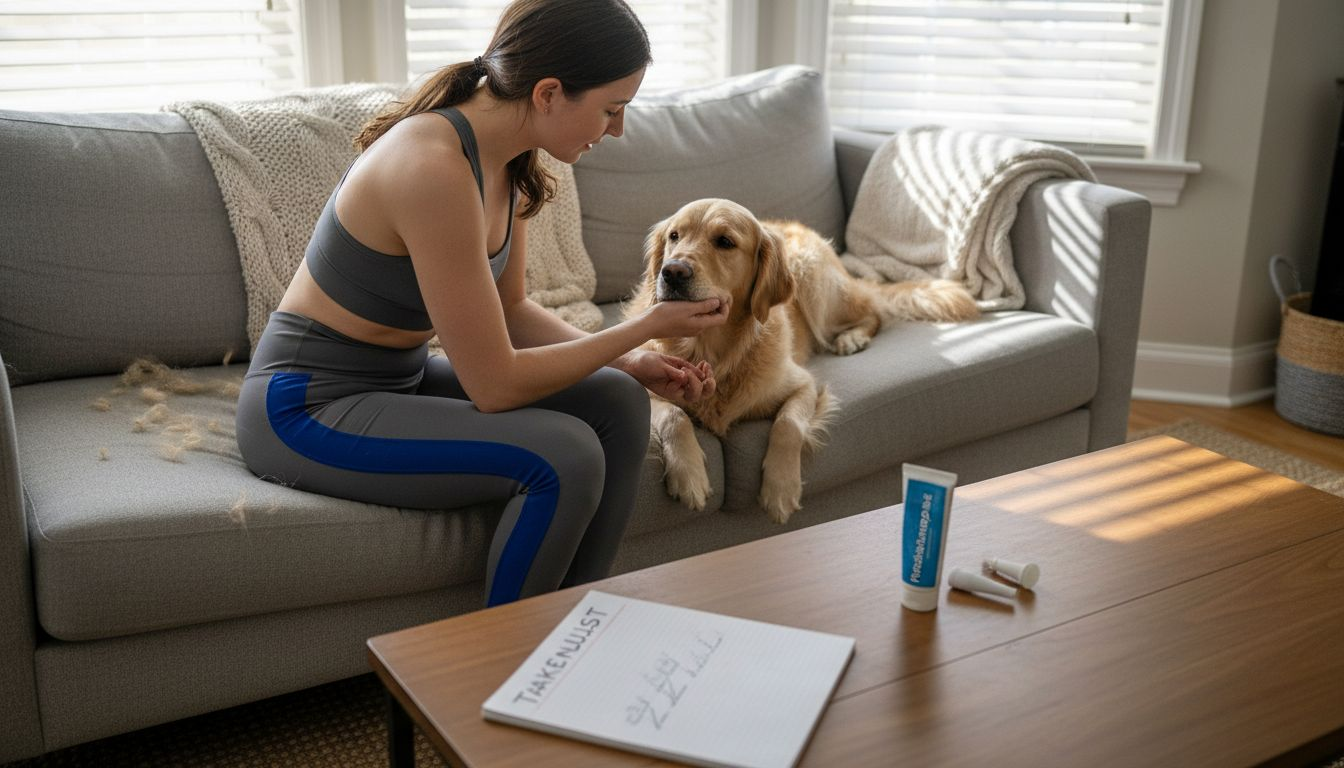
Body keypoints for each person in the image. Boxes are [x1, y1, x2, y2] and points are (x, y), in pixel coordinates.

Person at [235, 0, 728, 607]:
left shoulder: (508, 159)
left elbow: (513, 310)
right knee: (563, 455)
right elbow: (493, 385)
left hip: (396, 380)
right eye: (611, 109)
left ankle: (576, 626)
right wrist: (643, 329)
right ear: (548, 92)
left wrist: (628, 365)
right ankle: (500, 669)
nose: (616, 129)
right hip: (306, 406)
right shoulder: (434, 167)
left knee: (618, 399)